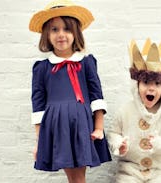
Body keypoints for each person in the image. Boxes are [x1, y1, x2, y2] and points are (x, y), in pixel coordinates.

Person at [28, 0, 111, 182]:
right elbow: (38, 107)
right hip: (57, 128)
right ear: (46, 35)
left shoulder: (86, 62)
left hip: (81, 126)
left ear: (76, 33)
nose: (61, 35)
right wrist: (39, 141)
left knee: (78, 177)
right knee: (73, 178)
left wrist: (99, 128)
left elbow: (97, 97)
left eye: (67, 29)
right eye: (54, 29)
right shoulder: (42, 68)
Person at [107, 38, 161, 183]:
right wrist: (119, 144)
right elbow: (113, 133)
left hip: (159, 172)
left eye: (158, 83)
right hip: (130, 170)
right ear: (137, 85)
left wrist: (160, 144)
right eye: (146, 82)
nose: (151, 88)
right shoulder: (126, 110)